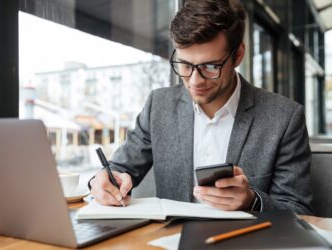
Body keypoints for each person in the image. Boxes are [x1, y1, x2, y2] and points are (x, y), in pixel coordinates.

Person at [89, 0, 312, 214]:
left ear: (238, 55)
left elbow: (299, 209)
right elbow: (119, 169)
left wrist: (252, 201)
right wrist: (103, 182)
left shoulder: (284, 118)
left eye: (210, 66)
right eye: (185, 65)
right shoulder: (159, 106)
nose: (195, 81)